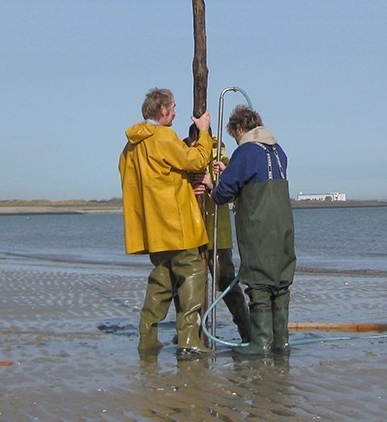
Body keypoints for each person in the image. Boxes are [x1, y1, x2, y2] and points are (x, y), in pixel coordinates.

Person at [119, 88, 213, 359]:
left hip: (154, 228)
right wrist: (204, 133)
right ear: (162, 110)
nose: (175, 111)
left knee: (161, 279)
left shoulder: (132, 145)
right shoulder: (162, 136)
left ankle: (147, 337)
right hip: (176, 223)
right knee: (193, 273)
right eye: (173, 107)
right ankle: (188, 339)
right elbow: (195, 161)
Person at [205, 105, 296, 356]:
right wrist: (231, 172)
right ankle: (281, 343)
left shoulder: (245, 151)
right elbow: (253, 176)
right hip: (284, 228)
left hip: (258, 227)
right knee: (280, 283)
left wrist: (213, 184)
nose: (236, 140)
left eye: (234, 135)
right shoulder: (279, 151)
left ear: (239, 128)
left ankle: (260, 344)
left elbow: (222, 195)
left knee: (259, 284)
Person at [188, 140, 252, 346]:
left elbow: (233, 193)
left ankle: (247, 332)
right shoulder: (184, 157)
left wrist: (213, 184)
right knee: (189, 287)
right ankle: (192, 334)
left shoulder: (222, 162)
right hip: (190, 236)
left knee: (227, 284)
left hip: (218, 236)